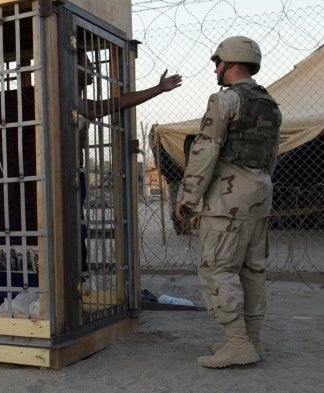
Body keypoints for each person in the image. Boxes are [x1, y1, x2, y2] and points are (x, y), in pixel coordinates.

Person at [174, 36, 282, 368]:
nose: (217, 69)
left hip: (227, 198)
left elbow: (205, 150)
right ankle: (252, 341)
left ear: (231, 63)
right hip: (259, 192)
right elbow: (271, 155)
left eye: (218, 63)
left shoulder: (225, 101)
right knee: (252, 269)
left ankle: (237, 343)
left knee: (218, 268)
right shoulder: (269, 103)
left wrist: (188, 198)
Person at [77, 50, 182, 270]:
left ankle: (79, 276)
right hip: (65, 175)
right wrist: (158, 89)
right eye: (86, 63)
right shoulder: (72, 102)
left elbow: (117, 102)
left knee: (76, 230)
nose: (93, 68)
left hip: (75, 174)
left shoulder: (81, 102)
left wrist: (159, 88)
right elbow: (109, 105)